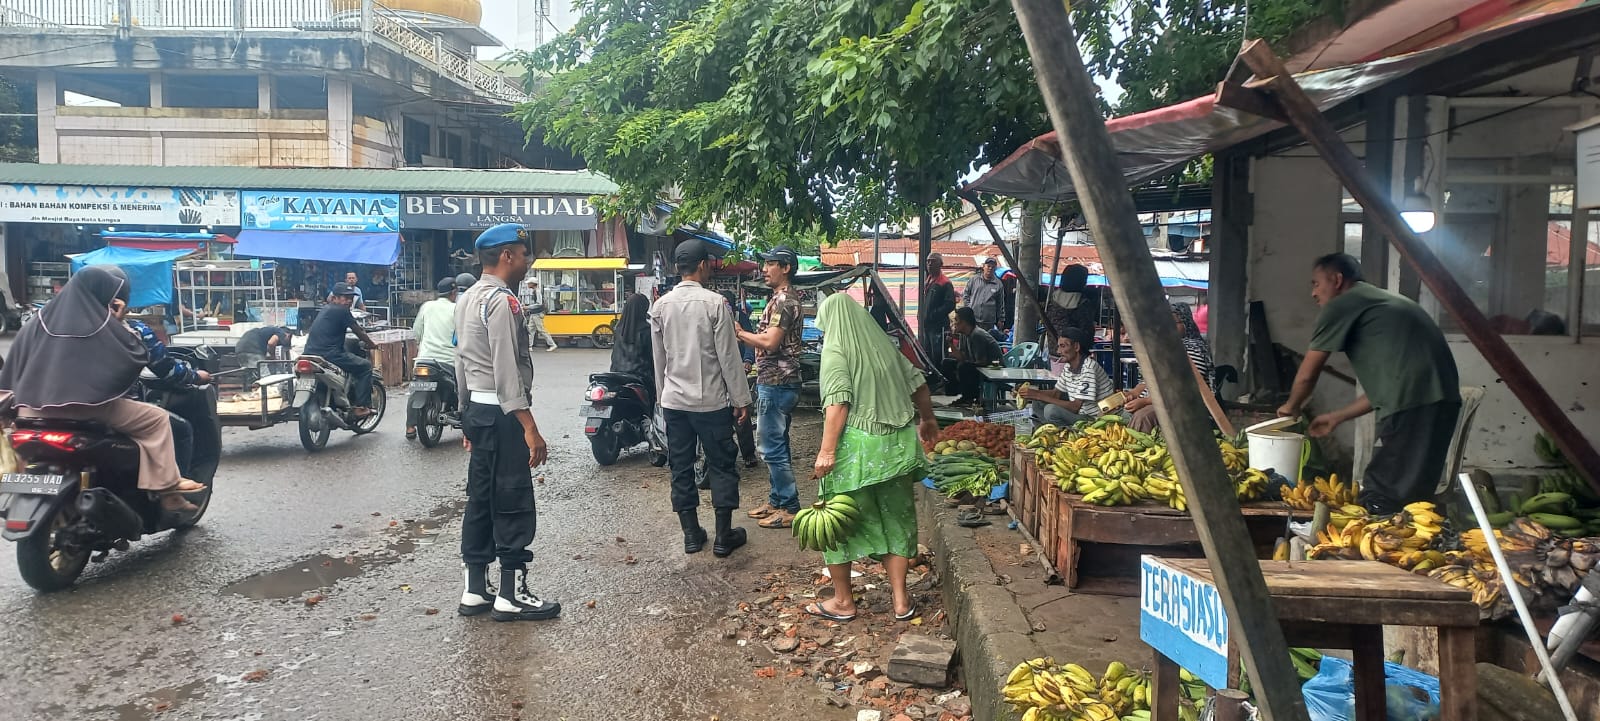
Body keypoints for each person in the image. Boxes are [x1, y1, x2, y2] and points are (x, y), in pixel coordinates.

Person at [0, 266, 205, 512]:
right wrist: (115, 323)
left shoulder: (38, 321)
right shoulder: (108, 326)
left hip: (30, 411)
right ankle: (168, 492)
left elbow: (14, 365)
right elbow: (135, 356)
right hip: (86, 410)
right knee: (157, 420)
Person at [1278, 253, 1461, 514]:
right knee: (1413, 494)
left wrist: (1290, 408)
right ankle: (1408, 544)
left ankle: (1376, 546)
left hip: (1416, 405)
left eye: (1316, 283)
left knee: (1383, 491)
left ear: (1337, 279)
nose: (1313, 293)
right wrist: (1337, 417)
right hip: (1437, 402)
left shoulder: (1342, 304)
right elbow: (1389, 388)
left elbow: (1309, 372)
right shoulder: (1380, 302)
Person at [803, 293, 940, 623]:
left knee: (838, 522)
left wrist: (826, 452)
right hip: (897, 449)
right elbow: (918, 383)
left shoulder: (836, 351)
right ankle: (901, 601)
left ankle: (843, 601)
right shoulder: (884, 348)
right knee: (897, 520)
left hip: (858, 453)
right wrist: (929, 418)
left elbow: (838, 404)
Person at [454, 223, 560, 621]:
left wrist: (466, 417)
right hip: (502, 415)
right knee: (512, 499)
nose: (527, 261)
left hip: (479, 413)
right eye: (523, 253)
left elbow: (460, 362)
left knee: (480, 499)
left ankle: (475, 591)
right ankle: (511, 594)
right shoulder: (503, 301)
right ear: (506, 257)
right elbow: (505, 368)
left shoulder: (466, 299)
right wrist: (528, 426)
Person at [650, 239, 754, 557]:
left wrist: (661, 398)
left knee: (680, 467)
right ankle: (724, 537)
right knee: (722, 465)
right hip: (711, 403)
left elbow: (659, 361)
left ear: (678, 269)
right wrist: (741, 399)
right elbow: (729, 358)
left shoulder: (660, 306)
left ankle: (692, 535)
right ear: (704, 265)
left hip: (674, 404)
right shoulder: (715, 303)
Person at [737, 246, 805, 529]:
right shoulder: (778, 299)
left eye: (770, 264)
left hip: (778, 382)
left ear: (786, 267)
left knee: (771, 447)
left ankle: (789, 506)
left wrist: (740, 333)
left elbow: (770, 342)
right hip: (775, 381)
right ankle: (777, 500)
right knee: (778, 444)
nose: (764, 270)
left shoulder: (785, 302)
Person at [1124, 303, 1235, 436]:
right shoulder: (1163, 348)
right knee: (1112, 409)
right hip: (1153, 400)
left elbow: (1188, 388)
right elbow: (1148, 380)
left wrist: (1146, 401)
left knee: (1144, 416)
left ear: (1186, 323)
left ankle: (1137, 455)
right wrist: (1134, 393)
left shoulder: (1193, 348)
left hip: (1181, 404)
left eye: (1174, 323)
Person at [304, 283, 378, 414]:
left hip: (310, 353)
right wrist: (371, 344)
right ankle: (361, 407)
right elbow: (359, 331)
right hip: (330, 355)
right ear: (334, 298)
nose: (349, 301)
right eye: (345, 298)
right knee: (365, 366)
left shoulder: (325, 309)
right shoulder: (342, 311)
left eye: (351, 298)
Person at [1020, 327, 1114, 426]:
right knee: (1037, 402)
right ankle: (1049, 430)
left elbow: (1075, 407)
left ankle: (1065, 432)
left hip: (1093, 419)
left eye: (1063, 346)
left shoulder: (1089, 368)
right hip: (1080, 413)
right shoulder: (1068, 367)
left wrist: (1038, 395)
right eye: (1059, 347)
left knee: (1051, 410)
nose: (1058, 351)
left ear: (1076, 347)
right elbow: (1056, 394)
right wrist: (1031, 393)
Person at [406, 277, 460, 439]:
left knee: (416, 387)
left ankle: (410, 427)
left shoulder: (427, 306)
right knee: (464, 386)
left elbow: (416, 332)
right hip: (449, 361)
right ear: (454, 292)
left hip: (424, 359)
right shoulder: (457, 309)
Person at [940, 307, 1003, 405]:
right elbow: (961, 357)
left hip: (992, 368)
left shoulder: (977, 335)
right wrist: (951, 343)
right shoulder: (964, 335)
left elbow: (982, 361)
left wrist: (962, 365)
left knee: (964, 367)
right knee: (947, 363)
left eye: (957, 320)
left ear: (964, 322)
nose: (954, 323)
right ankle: (955, 392)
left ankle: (969, 397)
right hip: (978, 364)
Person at [919, 253, 956, 373]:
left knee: (938, 354)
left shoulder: (945, 282)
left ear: (940, 264)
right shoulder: (928, 280)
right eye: (928, 261)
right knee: (927, 353)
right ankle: (933, 379)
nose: (929, 264)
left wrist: (934, 314)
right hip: (927, 325)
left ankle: (942, 380)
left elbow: (950, 304)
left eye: (933, 261)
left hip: (938, 326)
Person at [963, 257, 1006, 334]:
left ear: (995, 269)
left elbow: (1000, 304)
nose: (990, 268)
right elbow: (966, 295)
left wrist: (1001, 319)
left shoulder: (998, 284)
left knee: (985, 342)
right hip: (973, 319)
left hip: (988, 322)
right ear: (984, 267)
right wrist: (969, 308)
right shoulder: (974, 280)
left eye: (993, 267)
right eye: (988, 266)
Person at [521, 277, 558, 352]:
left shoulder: (537, 291)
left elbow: (539, 303)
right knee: (531, 330)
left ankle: (552, 344)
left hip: (537, 314)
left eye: (529, 283)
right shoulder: (535, 291)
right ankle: (529, 346)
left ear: (532, 284)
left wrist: (528, 307)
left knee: (541, 330)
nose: (528, 284)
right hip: (534, 313)